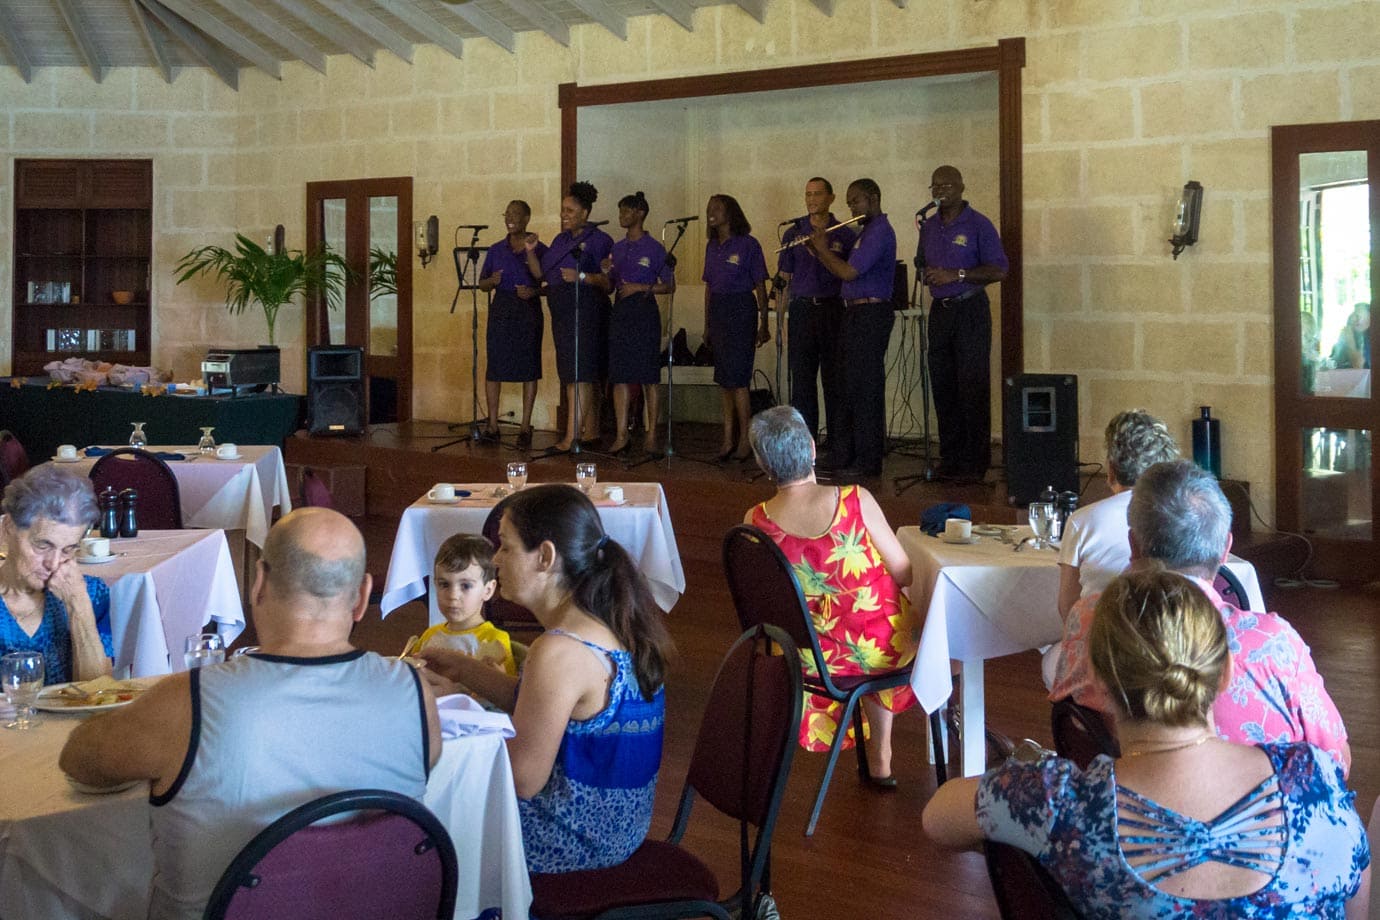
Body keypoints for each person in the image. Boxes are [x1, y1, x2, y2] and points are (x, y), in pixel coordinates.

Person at [60, 507, 440, 920]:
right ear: (363, 596)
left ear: (258, 582)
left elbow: (79, 761)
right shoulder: (414, 692)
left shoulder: (190, 701)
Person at [924, 568, 1371, 919]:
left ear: (1095, 683)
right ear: (1226, 674)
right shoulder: (1315, 783)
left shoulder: (1057, 804)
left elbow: (937, 818)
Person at [417, 484, 671, 874]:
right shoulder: (607, 620)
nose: (495, 559)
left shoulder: (559, 650)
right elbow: (546, 709)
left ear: (546, 556)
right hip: (619, 828)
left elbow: (522, 780)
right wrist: (464, 669)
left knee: (420, 819)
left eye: (505, 545)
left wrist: (448, 731)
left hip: (575, 840)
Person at [1049, 459, 1352, 775]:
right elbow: (1336, 761)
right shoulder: (1272, 644)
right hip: (1261, 819)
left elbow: (1073, 730)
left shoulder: (1086, 619)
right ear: (1226, 550)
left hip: (1114, 811)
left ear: (1133, 545)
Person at [744, 406, 919, 784]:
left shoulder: (755, 520)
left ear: (762, 461)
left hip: (801, 654)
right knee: (912, 630)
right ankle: (883, 755)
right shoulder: (856, 501)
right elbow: (904, 571)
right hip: (873, 648)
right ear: (811, 447)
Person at [921, 164, 1009, 481]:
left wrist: (957, 274)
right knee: (943, 386)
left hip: (970, 309)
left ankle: (974, 464)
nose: (941, 190)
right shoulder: (928, 227)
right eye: (935, 186)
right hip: (940, 311)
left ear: (961, 187)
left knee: (971, 386)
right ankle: (951, 458)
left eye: (947, 185)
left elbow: (999, 270)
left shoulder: (978, 224)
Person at [809, 178, 897, 480]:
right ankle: (845, 454)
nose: (851, 208)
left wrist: (822, 250)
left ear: (873, 198)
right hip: (854, 313)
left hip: (871, 312)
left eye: (855, 201)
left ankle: (867, 460)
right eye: (849, 203)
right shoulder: (865, 233)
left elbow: (848, 271)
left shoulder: (879, 232)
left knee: (865, 388)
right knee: (846, 385)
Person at [1056, 409, 1180, 619]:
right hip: (1169, 635)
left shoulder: (1082, 520)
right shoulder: (1180, 515)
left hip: (1099, 636)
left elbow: (1067, 606)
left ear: (1111, 469)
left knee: (1051, 653)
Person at [0, 466, 112, 684]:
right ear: (8, 528)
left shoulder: (92, 593)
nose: (53, 563)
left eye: (68, 549)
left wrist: (78, 605)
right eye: (42, 545)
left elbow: (99, 693)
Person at [526, 181, 614, 451]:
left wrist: (582, 277)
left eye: (570, 210)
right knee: (570, 374)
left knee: (582, 374)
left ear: (585, 213)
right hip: (562, 312)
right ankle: (586, 434)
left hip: (586, 311)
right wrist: (530, 250)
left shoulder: (600, 240)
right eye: (562, 210)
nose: (564, 214)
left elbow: (608, 283)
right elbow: (541, 274)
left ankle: (571, 438)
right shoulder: (560, 240)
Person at [777, 177, 855, 447]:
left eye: (818, 194)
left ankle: (836, 442)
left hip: (833, 310)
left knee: (834, 380)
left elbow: (851, 275)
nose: (811, 199)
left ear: (831, 198)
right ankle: (805, 444)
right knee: (802, 382)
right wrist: (781, 320)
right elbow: (784, 280)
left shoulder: (845, 233)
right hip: (801, 310)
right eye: (808, 194)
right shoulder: (793, 234)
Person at [602, 190, 675, 455]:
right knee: (619, 375)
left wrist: (640, 287)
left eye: (626, 211)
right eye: (620, 211)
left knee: (648, 377)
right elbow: (612, 286)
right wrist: (605, 274)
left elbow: (669, 286)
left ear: (640, 213)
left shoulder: (655, 248)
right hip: (621, 313)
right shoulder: (617, 248)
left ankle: (651, 434)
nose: (621, 216)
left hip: (644, 313)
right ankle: (622, 434)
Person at [702, 193, 770, 462]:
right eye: (709, 208)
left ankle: (745, 438)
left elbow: (761, 285)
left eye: (717, 208)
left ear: (731, 213)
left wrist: (764, 321)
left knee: (739, 378)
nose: (711, 212)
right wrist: (706, 323)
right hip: (719, 309)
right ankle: (727, 437)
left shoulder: (748, 244)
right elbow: (709, 286)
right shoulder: (711, 246)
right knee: (724, 379)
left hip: (741, 309)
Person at [478, 199, 545, 448]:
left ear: (527, 218)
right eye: (507, 213)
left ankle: (525, 427)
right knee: (494, 366)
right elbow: (482, 283)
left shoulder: (539, 248)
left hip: (527, 310)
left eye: (516, 214)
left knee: (529, 367)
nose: (510, 218)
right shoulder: (496, 250)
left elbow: (547, 283)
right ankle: (493, 425)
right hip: (502, 308)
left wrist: (534, 292)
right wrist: (491, 281)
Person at [404, 533, 515, 676]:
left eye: (466, 586)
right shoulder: (429, 636)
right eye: (444, 584)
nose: (453, 596)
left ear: (488, 590)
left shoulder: (495, 641)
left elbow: (507, 693)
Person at [1331, 302, 1371, 369]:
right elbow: (1334, 362)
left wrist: (1350, 340)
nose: (1352, 318)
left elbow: (1359, 366)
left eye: (1357, 316)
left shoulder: (1370, 340)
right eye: (1353, 314)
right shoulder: (1349, 336)